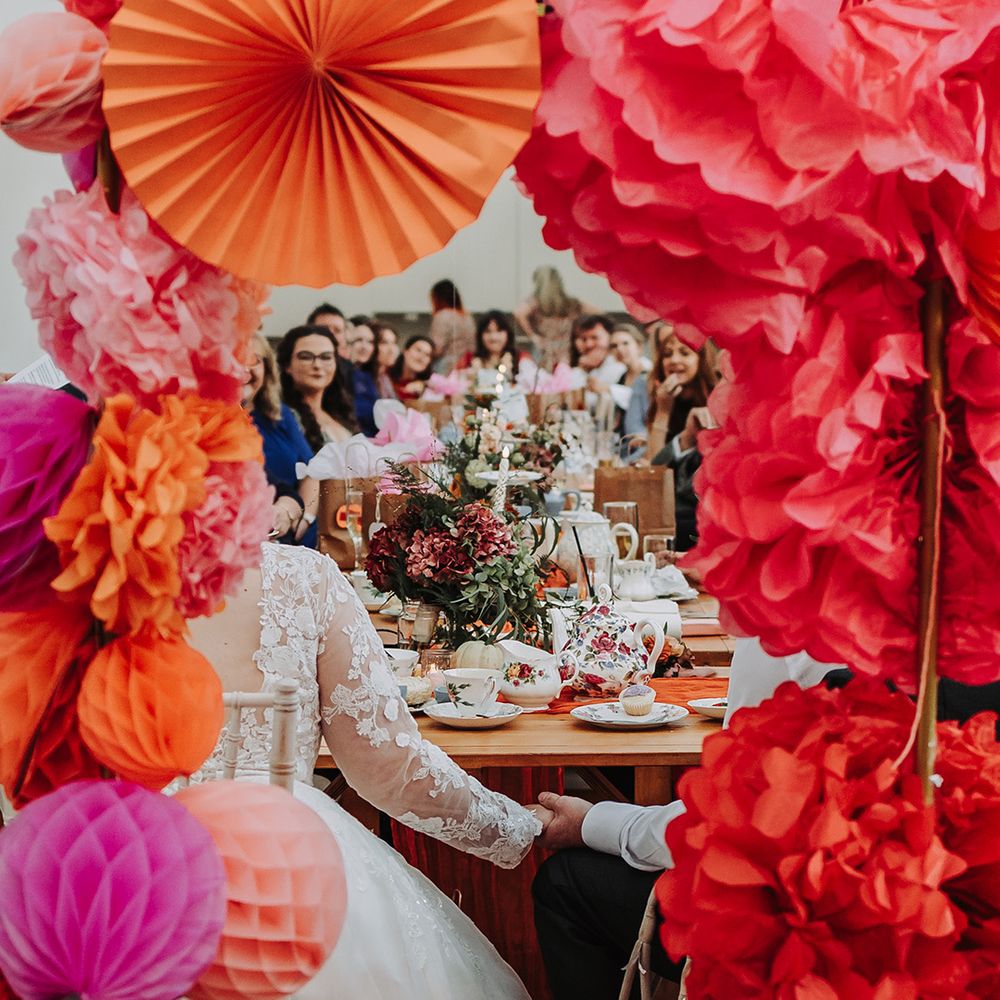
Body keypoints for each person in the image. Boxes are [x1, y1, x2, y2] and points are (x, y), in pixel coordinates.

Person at [186, 542, 552, 999]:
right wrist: (518, 826)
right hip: (283, 868)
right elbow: (387, 765)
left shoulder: (75, 587)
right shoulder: (302, 576)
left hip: (117, 856)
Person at [530, 639, 842, 1000]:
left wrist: (590, 825)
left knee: (566, 884)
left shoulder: (788, 637)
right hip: (871, 900)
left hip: (796, 930)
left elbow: (729, 820)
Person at [630, 331, 718, 549]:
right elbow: (655, 470)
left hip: (694, 516)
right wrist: (662, 411)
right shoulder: (664, 399)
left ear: (702, 360)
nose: (674, 360)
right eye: (668, 354)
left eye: (685, 353)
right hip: (663, 509)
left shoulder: (716, 402)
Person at [241, 333, 315, 543]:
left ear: (267, 367)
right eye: (237, 360)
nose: (245, 370)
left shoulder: (280, 416)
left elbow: (311, 471)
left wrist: (300, 516)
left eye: (253, 360)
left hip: (291, 529)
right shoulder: (216, 425)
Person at [276, 325, 358, 451]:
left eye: (326, 357)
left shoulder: (340, 413)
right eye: (306, 357)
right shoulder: (283, 417)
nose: (317, 365)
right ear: (287, 365)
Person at [514, 265, 596, 369]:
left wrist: (533, 336)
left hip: (545, 349)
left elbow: (519, 312)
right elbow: (598, 312)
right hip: (566, 350)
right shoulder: (569, 302)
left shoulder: (536, 301)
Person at [455, 310, 526, 379]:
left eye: (499, 331)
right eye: (488, 331)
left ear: (508, 333)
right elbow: (454, 383)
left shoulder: (521, 359)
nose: (493, 337)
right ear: (480, 335)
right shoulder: (468, 360)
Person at [428, 279, 475, 373]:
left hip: (446, 366)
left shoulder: (442, 316)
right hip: (467, 365)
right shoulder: (467, 317)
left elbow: (437, 348)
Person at [348, 315, 381, 437]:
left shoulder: (367, 375)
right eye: (359, 340)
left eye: (370, 342)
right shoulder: (342, 375)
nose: (365, 347)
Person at [388, 334, 435, 402]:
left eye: (427, 354)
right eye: (418, 350)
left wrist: (424, 385)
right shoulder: (386, 374)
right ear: (405, 351)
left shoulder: (430, 385)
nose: (422, 356)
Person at [373, 321, 400, 401]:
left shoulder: (385, 377)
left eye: (394, 343)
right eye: (384, 343)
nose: (392, 350)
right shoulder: (365, 380)